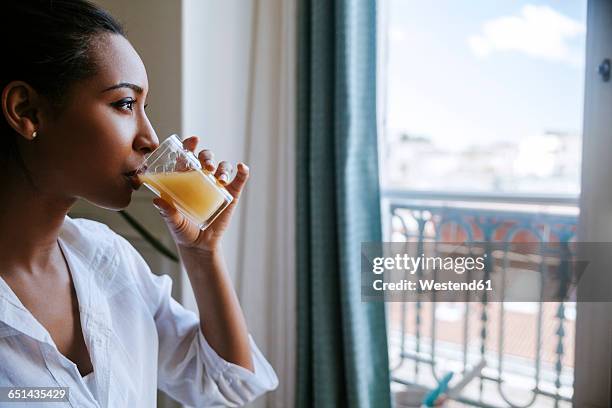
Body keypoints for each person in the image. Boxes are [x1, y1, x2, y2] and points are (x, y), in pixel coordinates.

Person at [0, 1, 278, 407]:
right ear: (27, 111)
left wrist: (202, 254)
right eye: (125, 104)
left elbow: (225, 387)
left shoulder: (108, 260)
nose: (150, 138)